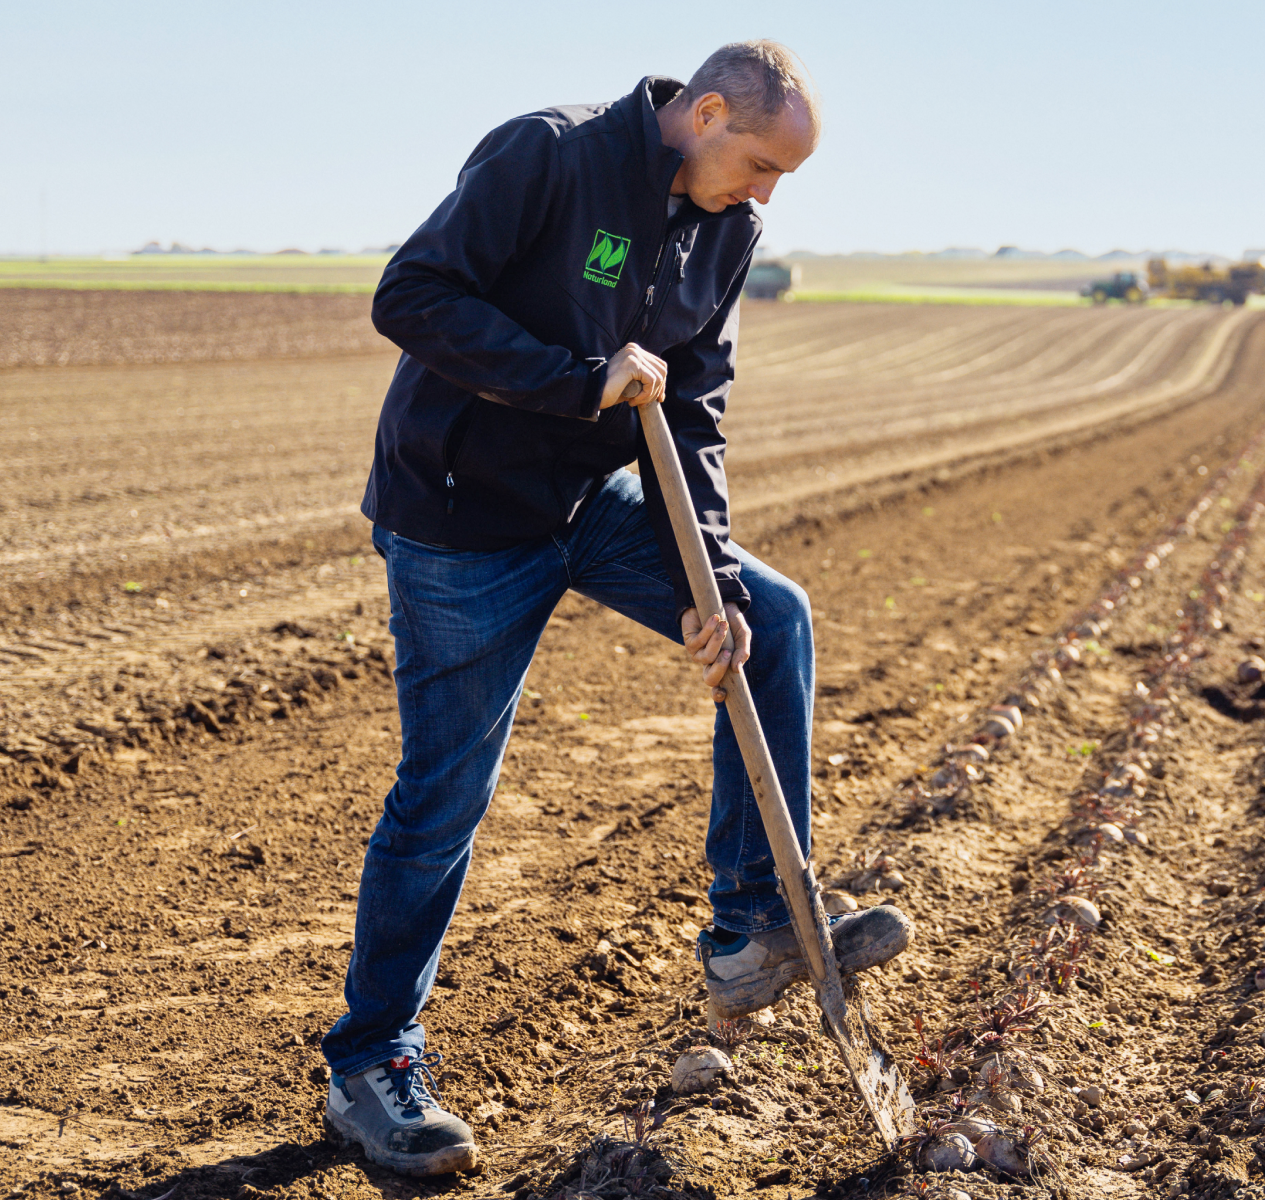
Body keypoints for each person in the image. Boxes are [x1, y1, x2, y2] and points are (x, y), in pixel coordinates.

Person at [320, 40, 911, 1177]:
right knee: (446, 791)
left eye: (784, 178)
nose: (768, 194)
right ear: (704, 112)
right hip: (464, 511)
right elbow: (412, 295)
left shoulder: (726, 228)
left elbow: (697, 408)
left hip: (593, 498)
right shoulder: (549, 157)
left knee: (771, 621)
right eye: (760, 164)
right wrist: (572, 375)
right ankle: (372, 1062)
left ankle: (750, 928)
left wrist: (714, 584)